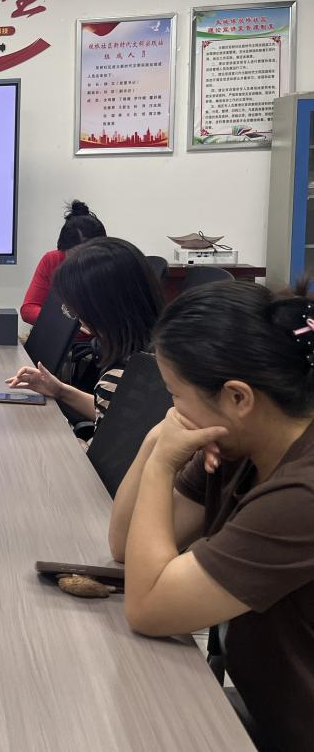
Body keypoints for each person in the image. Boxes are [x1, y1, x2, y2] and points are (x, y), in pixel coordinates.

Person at [106, 279, 314, 752]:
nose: (172, 412)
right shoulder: (243, 442)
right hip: (270, 716)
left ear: (238, 398)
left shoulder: (301, 494)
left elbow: (149, 606)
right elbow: (124, 546)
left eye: (175, 395)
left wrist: (162, 466)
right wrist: (156, 441)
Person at [7, 237, 163, 430]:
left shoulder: (119, 378)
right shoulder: (158, 354)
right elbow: (114, 414)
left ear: (99, 308)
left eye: (74, 309)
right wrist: (60, 390)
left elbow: (106, 444)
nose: (77, 318)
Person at [20, 200, 106, 325]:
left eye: (90, 256)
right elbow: (28, 309)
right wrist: (66, 323)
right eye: (75, 256)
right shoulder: (52, 260)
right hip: (60, 332)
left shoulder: (110, 265)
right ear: (64, 248)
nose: (82, 263)